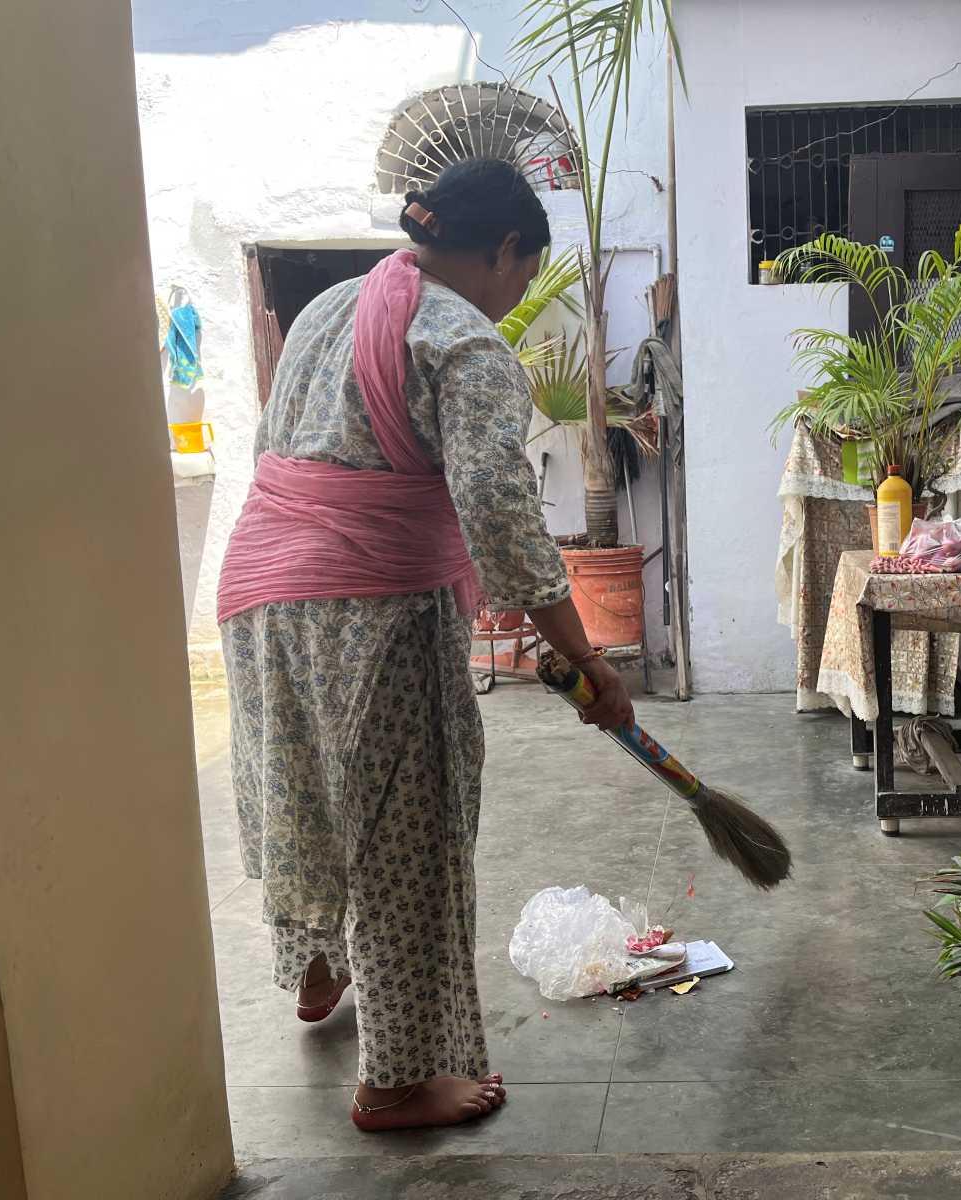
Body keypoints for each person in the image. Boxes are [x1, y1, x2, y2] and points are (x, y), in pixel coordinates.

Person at [218, 158, 634, 1132]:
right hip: (371, 612)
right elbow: (501, 520)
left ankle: (318, 972)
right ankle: (398, 1081)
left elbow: (277, 447)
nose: (518, 292)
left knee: (305, 792)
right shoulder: (462, 340)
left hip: (258, 594)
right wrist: (584, 657)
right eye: (524, 272)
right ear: (500, 250)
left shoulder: (331, 307)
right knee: (411, 839)